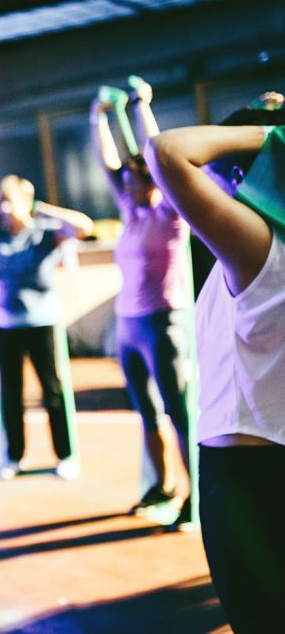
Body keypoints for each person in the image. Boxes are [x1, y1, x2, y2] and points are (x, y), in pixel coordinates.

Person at [145, 93, 284, 633]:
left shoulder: (260, 248)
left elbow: (168, 151)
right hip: (244, 470)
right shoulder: (244, 248)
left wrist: (274, 133)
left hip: (254, 482)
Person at [91, 79, 194, 526]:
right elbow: (108, 161)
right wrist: (98, 116)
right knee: (148, 413)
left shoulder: (172, 213)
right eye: (126, 181)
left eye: (134, 180)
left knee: (179, 412)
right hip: (129, 325)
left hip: (163, 323)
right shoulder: (131, 213)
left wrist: (139, 105)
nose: (126, 185)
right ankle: (163, 485)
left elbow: (157, 152)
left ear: (150, 180)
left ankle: (194, 497)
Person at [0, 174, 93, 480]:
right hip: (4, 325)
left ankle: (66, 455)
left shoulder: (44, 233)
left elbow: (85, 227)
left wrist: (44, 209)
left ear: (25, 201)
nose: (4, 207)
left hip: (42, 323)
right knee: (11, 393)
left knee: (53, 390)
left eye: (10, 200)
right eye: (0, 201)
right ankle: (14, 457)